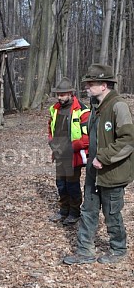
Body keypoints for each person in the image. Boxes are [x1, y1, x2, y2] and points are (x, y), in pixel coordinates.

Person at [64, 64, 134, 265]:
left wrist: (103, 157)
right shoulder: (95, 107)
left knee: (112, 214)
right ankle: (84, 250)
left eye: (91, 83)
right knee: (88, 210)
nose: (86, 86)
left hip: (113, 172)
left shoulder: (118, 106)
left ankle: (118, 249)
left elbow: (128, 140)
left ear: (104, 85)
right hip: (94, 171)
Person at [48, 77, 90, 225]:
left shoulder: (82, 111)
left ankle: (74, 212)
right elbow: (51, 128)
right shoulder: (55, 109)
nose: (60, 97)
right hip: (59, 153)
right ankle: (63, 210)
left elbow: (87, 137)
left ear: (71, 93)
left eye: (63, 94)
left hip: (74, 155)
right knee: (60, 183)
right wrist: (51, 142)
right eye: (58, 94)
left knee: (72, 185)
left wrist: (72, 147)